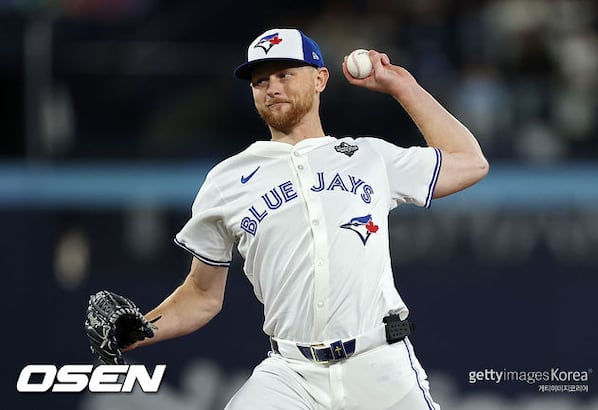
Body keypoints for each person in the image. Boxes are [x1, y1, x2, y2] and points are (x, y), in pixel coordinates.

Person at [125, 28, 489, 409]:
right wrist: (140, 330)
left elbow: (470, 162)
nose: (272, 88)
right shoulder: (227, 180)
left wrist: (404, 88)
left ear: (320, 79)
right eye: (260, 81)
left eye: (285, 74)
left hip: (379, 363)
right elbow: (202, 295)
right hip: (291, 374)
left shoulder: (369, 157)